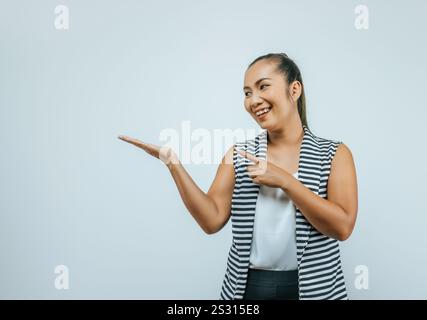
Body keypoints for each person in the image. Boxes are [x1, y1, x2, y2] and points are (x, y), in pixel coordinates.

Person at [118, 53, 358, 300]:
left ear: (294, 89)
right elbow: (211, 221)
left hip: (314, 289)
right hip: (248, 288)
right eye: (247, 93)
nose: (254, 100)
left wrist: (286, 181)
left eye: (263, 86)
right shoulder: (238, 155)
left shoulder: (334, 154)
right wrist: (173, 164)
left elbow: (342, 227)